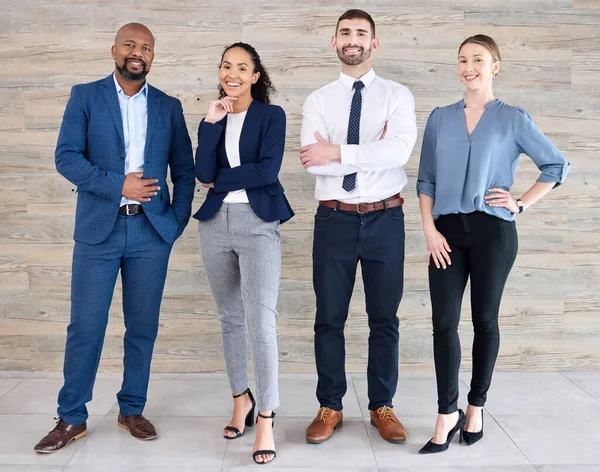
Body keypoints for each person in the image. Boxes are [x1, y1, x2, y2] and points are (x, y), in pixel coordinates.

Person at [34, 23, 195, 453]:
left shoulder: (168, 106)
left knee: (142, 327)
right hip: (97, 232)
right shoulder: (85, 96)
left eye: (145, 47)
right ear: (114, 51)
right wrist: (117, 185)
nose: (137, 52)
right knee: (85, 326)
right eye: (130, 45)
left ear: (153, 57)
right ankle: (71, 417)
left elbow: (184, 170)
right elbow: (66, 157)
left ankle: (132, 408)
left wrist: (174, 224)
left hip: (151, 233)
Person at [417, 34, 570, 454]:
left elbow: (556, 165)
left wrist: (520, 202)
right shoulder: (439, 118)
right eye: (463, 59)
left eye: (478, 59)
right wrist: (429, 230)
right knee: (443, 323)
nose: (469, 66)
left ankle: (475, 406)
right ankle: (445, 412)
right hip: (445, 231)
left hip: (493, 233)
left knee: (485, 320)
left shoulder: (512, 118)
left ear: (495, 66)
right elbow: (426, 180)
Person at [300, 9, 417, 444]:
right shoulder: (318, 100)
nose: (353, 39)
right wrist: (366, 149)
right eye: (345, 33)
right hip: (334, 219)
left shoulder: (397, 96)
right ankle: (330, 405)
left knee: (384, 318)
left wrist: (339, 152)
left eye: (361, 33)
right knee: (328, 318)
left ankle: (381, 406)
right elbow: (313, 162)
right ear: (334, 42)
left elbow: (399, 151)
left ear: (374, 43)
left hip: (386, 217)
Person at [194, 42, 293, 464]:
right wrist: (211, 124)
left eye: (242, 68)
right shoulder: (211, 117)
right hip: (215, 225)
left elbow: (267, 170)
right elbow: (201, 174)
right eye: (225, 66)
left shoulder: (272, 116)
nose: (232, 74)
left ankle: (267, 417)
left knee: (260, 320)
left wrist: (223, 178)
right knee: (230, 318)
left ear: (256, 76)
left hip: (258, 223)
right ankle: (241, 399)